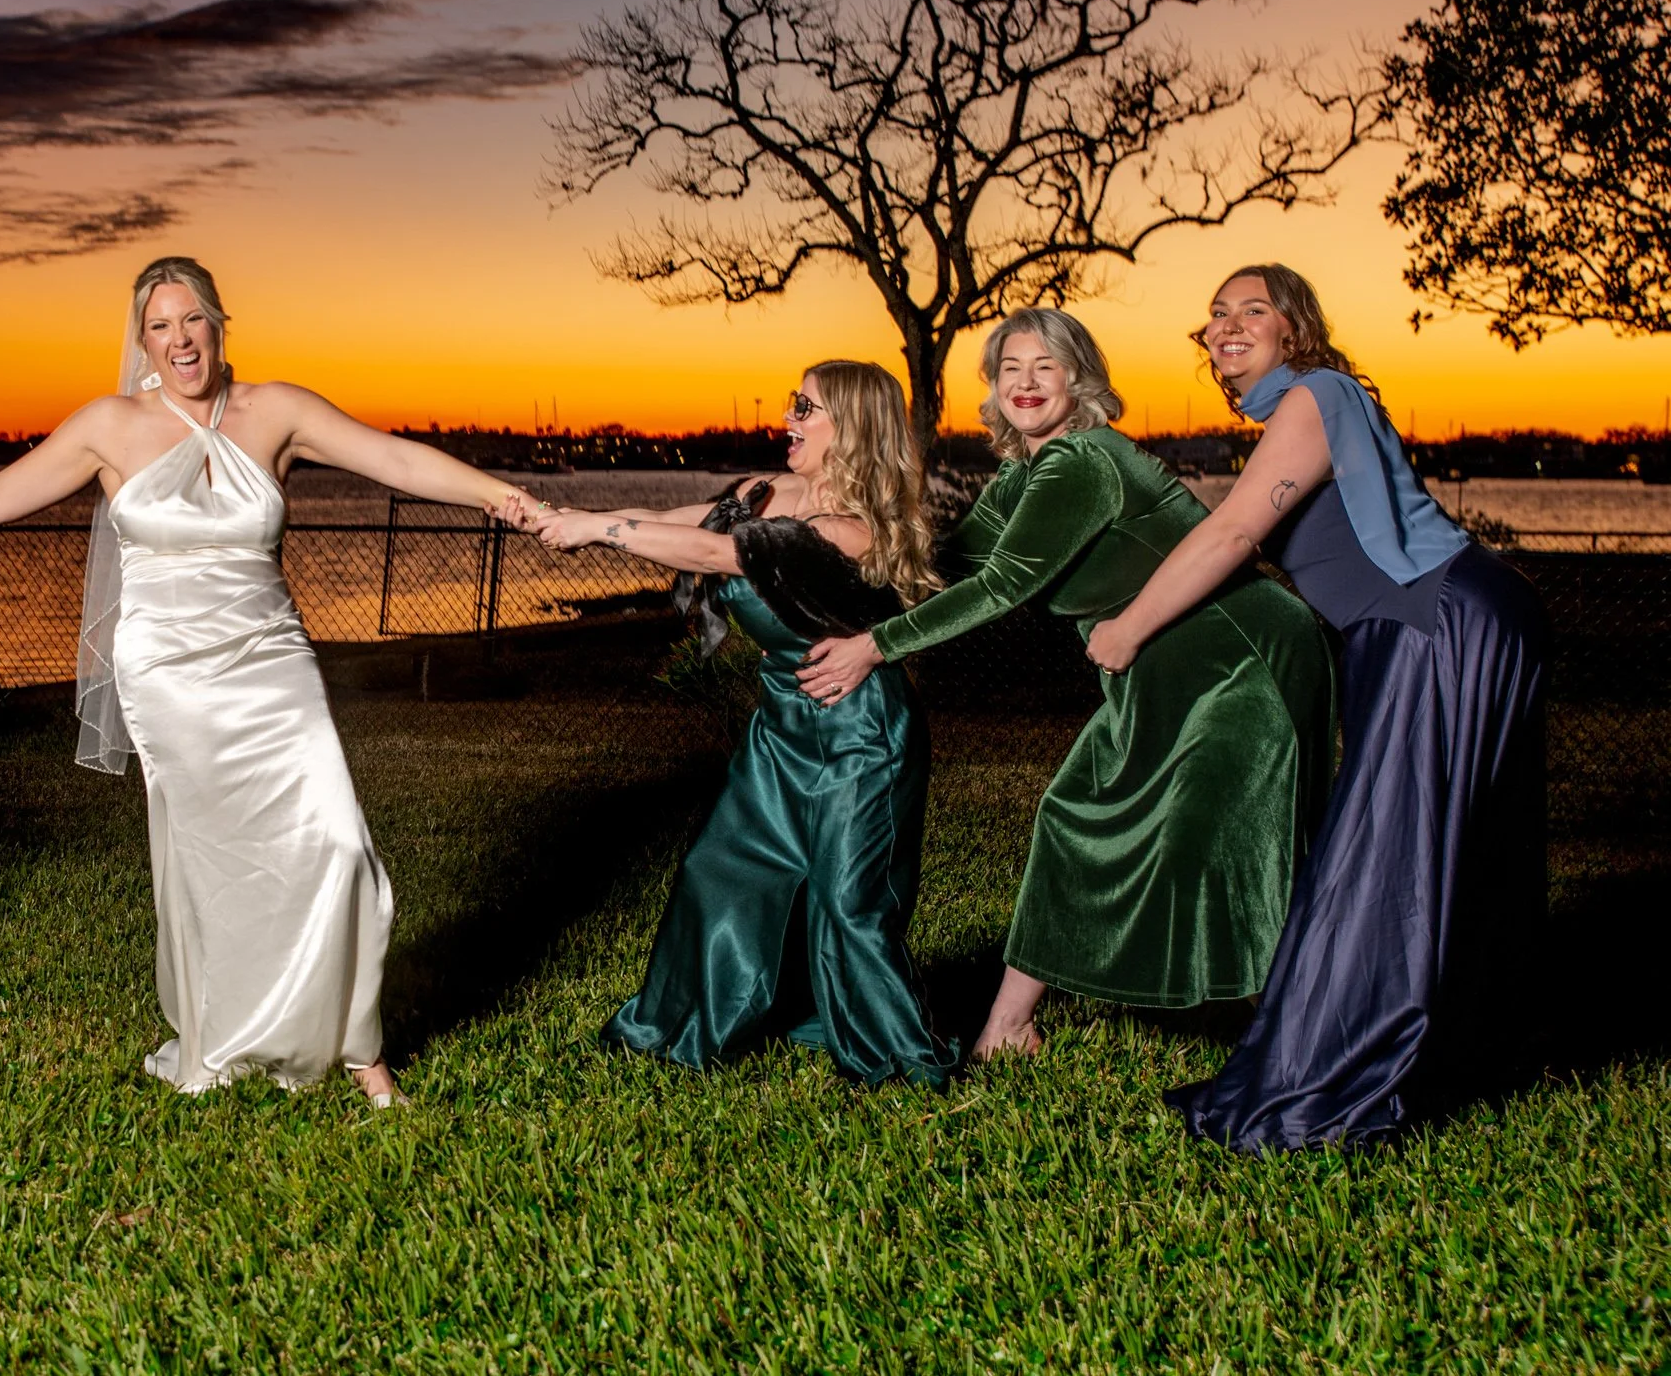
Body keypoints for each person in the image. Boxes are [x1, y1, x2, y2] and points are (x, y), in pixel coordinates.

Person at [0, 257, 540, 1106]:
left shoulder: (276, 411)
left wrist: (504, 497)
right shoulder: (110, 426)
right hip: (168, 672)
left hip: (271, 657)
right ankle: (228, 1032)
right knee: (214, 863)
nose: (180, 340)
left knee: (335, 843)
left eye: (192, 318)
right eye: (160, 326)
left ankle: (360, 1050)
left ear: (220, 322)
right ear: (142, 340)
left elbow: (395, 459)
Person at [1087, 265, 1548, 1151]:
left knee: (1381, 856)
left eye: (1252, 309)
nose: (1227, 324)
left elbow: (1232, 532)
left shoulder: (1316, 395)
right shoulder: (1306, 412)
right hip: (1451, 617)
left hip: (1430, 618)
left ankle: (1321, 1087)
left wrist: (1128, 628)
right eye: (1216, 312)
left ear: (1294, 328)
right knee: (1448, 850)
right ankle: (1455, 1054)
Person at [798, 309, 1333, 1058]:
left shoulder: (1081, 461)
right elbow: (951, 565)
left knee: (1237, 838)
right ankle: (1010, 1028)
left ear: (1077, 377)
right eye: (1009, 368)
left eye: (1044, 366)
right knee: (1072, 813)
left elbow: (1001, 587)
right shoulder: (1021, 475)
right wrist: (842, 540)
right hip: (1156, 670)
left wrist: (873, 648)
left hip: (1237, 654)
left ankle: (1310, 1028)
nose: (1025, 383)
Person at [519, 362, 959, 1085]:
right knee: (721, 868)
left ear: (851, 427)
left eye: (805, 408)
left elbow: (717, 553)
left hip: (862, 735)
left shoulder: (853, 532)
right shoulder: (766, 492)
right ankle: (682, 1025)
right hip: (782, 730)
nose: (788, 417)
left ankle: (893, 1055)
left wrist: (598, 527)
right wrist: (567, 519)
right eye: (793, 402)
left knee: (848, 903)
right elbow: (688, 521)